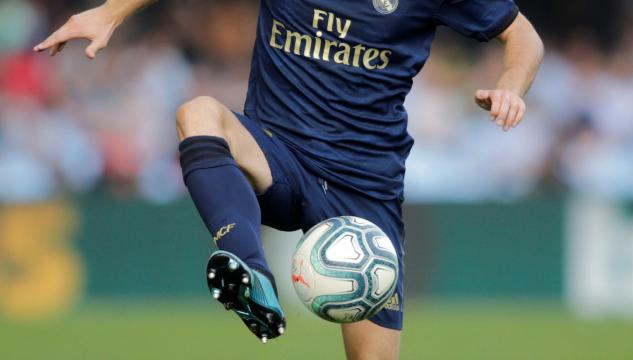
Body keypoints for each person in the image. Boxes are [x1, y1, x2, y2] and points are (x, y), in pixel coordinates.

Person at [35, 0, 544, 358]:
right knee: (198, 112)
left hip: (363, 187)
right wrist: (109, 13)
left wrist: (510, 87)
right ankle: (249, 270)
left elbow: (523, 36)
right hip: (277, 153)